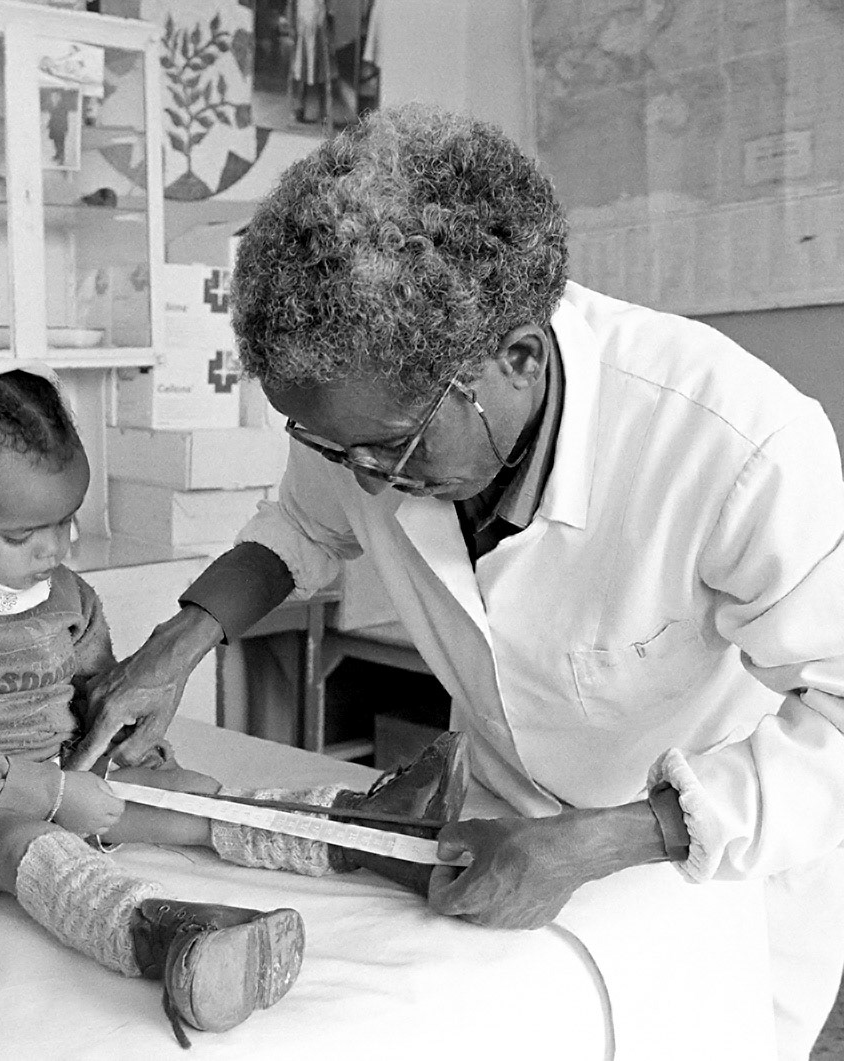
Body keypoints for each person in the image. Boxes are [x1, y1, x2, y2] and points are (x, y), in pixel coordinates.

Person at [72, 102, 844, 1059]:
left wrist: (608, 840)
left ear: (515, 357)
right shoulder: (367, 403)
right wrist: (178, 644)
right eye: (330, 445)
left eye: (390, 449)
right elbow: (301, 526)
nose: (364, 476)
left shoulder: (734, 446)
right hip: (500, 823)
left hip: (703, 856)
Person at [0, 355, 468, 1045]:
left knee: (191, 793)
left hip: (69, 773)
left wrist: (139, 758)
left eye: (66, 523)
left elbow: (98, 690)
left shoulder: (64, 593)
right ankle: (167, 935)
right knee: (23, 846)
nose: (53, 550)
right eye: (21, 536)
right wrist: (53, 794)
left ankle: (368, 830)